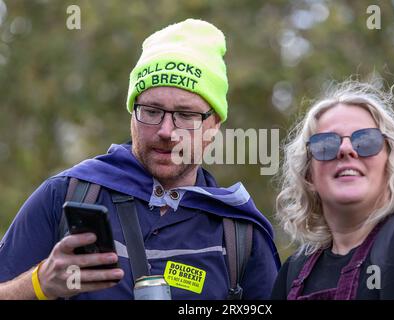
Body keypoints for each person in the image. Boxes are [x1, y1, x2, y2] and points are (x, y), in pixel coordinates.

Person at [0, 19, 280, 300]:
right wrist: (39, 284)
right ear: (132, 114)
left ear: (214, 125)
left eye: (185, 115)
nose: (166, 131)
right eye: (151, 110)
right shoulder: (68, 195)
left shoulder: (239, 235)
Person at [271, 80, 394, 300]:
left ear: (392, 163)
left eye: (366, 141)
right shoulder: (293, 271)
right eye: (326, 144)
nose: (346, 149)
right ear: (309, 175)